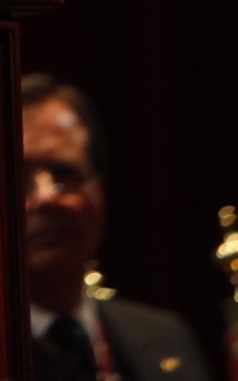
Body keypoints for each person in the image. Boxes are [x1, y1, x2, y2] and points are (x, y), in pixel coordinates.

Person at [22, 73, 213, 381]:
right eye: (20, 180)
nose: (47, 198)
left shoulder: (165, 336)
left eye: (64, 174)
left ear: (100, 189)